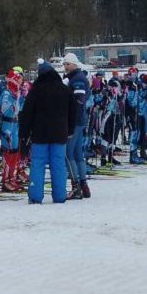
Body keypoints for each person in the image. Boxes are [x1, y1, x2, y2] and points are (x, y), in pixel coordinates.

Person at [18, 61, 76, 204]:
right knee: (58, 164)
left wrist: (23, 133)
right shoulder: (65, 90)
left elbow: (27, 113)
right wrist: (70, 130)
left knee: (38, 164)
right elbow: (73, 113)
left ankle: (35, 196)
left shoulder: (36, 91)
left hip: (40, 134)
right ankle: (60, 195)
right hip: (60, 134)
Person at [62, 52, 91, 199]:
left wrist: (72, 122)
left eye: (67, 64)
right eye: (64, 64)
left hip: (75, 121)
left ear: (74, 64)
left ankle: (76, 186)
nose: (65, 67)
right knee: (78, 154)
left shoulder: (77, 79)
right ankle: (83, 184)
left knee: (69, 154)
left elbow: (79, 101)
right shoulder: (75, 78)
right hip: (79, 120)